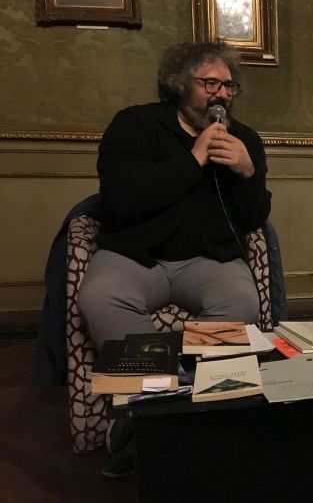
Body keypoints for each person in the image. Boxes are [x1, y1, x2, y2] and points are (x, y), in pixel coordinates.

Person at [78, 41, 271, 477]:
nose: (221, 94)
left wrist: (247, 173)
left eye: (228, 86)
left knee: (241, 302)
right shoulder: (135, 125)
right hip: (136, 257)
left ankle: (206, 412)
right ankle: (150, 420)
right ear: (181, 84)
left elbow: (253, 218)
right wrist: (194, 158)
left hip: (207, 260)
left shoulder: (245, 139)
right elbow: (123, 199)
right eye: (210, 83)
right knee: (101, 297)